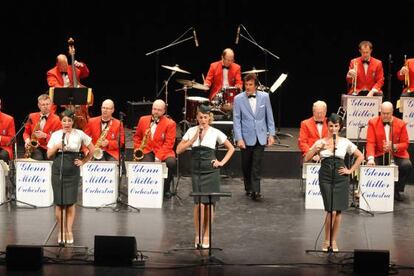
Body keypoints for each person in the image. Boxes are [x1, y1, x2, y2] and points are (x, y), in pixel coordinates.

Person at [176, 104, 234, 248]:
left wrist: (221, 162)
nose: (203, 120)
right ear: (197, 118)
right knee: (199, 204)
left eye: (205, 117)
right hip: (197, 171)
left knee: (209, 205)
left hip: (211, 171)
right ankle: (198, 234)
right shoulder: (191, 131)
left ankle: (207, 235)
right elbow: (178, 150)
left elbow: (231, 148)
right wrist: (192, 139)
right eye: (200, 117)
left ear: (210, 118)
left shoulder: (215, 132)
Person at [304, 113, 364, 252]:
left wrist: (350, 170)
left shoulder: (345, 142)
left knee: (338, 210)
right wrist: (318, 149)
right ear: (327, 126)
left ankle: (334, 240)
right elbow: (306, 158)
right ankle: (326, 241)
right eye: (331, 126)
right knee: (330, 209)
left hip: (340, 177)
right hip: (325, 176)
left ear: (340, 127)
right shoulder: (321, 141)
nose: (333, 129)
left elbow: (360, 156)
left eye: (336, 126)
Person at [47, 109, 94, 244]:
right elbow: (49, 154)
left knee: (70, 203)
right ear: (60, 121)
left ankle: (69, 230)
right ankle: (61, 231)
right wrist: (57, 146)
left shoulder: (80, 134)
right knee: (60, 203)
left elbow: (92, 149)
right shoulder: (56, 135)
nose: (66, 123)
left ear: (73, 121)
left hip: (73, 171)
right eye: (64, 120)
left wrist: (83, 161)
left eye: (69, 120)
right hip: (58, 170)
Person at [233, 73, 275, 200]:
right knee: (246, 165)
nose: (248, 87)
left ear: (256, 86)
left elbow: (269, 116)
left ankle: (256, 191)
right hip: (245, 137)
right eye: (246, 84)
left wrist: (271, 134)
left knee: (256, 165)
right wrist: (239, 138)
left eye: (250, 84)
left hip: (260, 136)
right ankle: (248, 187)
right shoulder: (238, 99)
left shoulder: (264, 97)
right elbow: (237, 120)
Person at [366, 101, 412, 201]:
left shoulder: (401, 123)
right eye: (383, 113)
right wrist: (370, 158)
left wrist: (394, 146)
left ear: (392, 112)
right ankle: (376, 191)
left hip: (397, 154)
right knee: (371, 166)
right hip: (379, 153)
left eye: (388, 113)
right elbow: (370, 142)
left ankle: (396, 190)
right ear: (380, 111)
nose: (385, 116)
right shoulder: (372, 122)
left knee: (406, 165)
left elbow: (405, 143)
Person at [133, 99, 176, 198]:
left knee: (171, 163)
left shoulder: (170, 123)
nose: (156, 112)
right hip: (147, 149)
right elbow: (137, 137)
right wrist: (138, 148)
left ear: (164, 111)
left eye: (159, 110)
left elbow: (169, 143)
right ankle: (146, 189)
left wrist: (159, 157)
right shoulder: (143, 119)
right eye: (154, 109)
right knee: (146, 164)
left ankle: (165, 189)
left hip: (163, 151)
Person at [23, 94, 61, 160]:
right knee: (38, 158)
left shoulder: (57, 119)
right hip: (35, 147)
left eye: (47, 104)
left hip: (49, 147)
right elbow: (26, 133)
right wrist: (27, 141)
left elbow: (58, 138)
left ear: (51, 105)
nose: (45, 106)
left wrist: (45, 135)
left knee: (50, 160)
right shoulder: (32, 116)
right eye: (43, 105)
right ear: (39, 105)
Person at [0, 99, 16, 163]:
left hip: (4, 147)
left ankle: (3, 173)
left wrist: (0, 138)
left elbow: (12, 139)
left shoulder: (8, 119)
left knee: (3, 155)